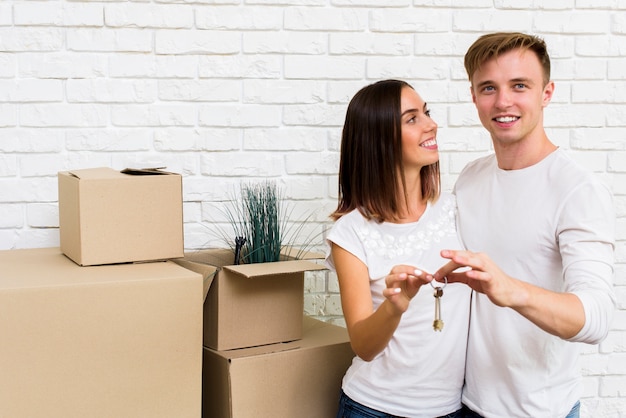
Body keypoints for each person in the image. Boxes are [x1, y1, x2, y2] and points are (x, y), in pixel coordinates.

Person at [433, 32, 616, 418]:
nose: (503, 102)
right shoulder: (470, 177)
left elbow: (597, 316)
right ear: (473, 97)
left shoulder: (578, 190)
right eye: (488, 88)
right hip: (465, 404)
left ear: (546, 93)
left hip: (539, 411)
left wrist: (510, 289)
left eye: (519, 86)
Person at [325, 79, 471, 418]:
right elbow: (364, 346)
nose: (431, 124)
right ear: (379, 138)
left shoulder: (456, 210)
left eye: (426, 113)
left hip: (453, 409)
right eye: (411, 118)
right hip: (374, 408)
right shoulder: (350, 234)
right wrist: (396, 304)